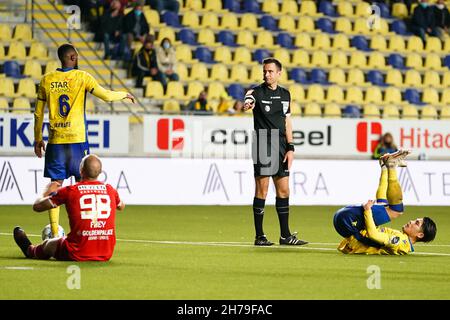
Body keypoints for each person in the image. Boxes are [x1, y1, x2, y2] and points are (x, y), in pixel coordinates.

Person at [34, 43, 134, 239]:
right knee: (85, 184)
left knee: (56, 183)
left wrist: (38, 139)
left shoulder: (46, 80)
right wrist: (124, 94)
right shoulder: (82, 77)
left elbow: (38, 113)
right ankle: (87, 229)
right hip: (78, 139)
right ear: (72, 58)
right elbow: (105, 96)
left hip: (56, 140)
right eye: (76, 57)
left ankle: (54, 231)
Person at [243, 58, 307, 246]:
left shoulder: (286, 94)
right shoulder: (255, 92)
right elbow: (249, 100)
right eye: (265, 71)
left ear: (279, 73)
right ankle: (260, 236)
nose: (266, 74)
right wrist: (247, 104)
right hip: (263, 141)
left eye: (270, 71)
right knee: (262, 190)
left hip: (280, 145)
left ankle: (285, 236)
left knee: (284, 190)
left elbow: (287, 122)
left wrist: (291, 147)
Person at [13, 154, 125, 261]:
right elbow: (121, 206)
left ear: (81, 170)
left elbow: (37, 207)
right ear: (100, 172)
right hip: (106, 253)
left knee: (48, 244)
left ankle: (30, 250)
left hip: (77, 252)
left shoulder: (70, 191)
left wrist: (46, 192)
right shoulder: (111, 190)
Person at [334, 150, 437, 255]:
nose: (411, 221)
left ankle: (391, 165)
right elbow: (380, 201)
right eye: (415, 220)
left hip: (348, 222)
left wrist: (368, 210)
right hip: (347, 224)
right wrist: (384, 169)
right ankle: (385, 165)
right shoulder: (402, 239)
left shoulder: (400, 242)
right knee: (384, 205)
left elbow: (373, 235)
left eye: (417, 223)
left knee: (396, 211)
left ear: (420, 235)